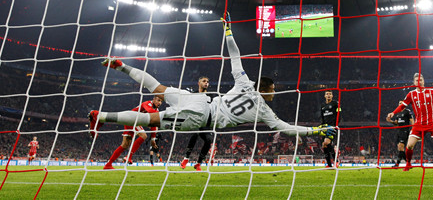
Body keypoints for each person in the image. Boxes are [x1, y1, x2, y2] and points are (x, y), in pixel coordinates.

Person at [88, 12, 335, 140]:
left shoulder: (244, 81)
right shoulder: (265, 111)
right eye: (273, 89)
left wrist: (228, 30)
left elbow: (235, 56)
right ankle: (102, 116)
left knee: (158, 87)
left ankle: (121, 66)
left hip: (199, 99)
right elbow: (287, 129)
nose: (274, 93)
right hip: (200, 117)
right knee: (149, 120)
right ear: (267, 89)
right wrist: (316, 131)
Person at [386, 73, 433, 172]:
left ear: (424, 81)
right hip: (419, 124)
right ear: (414, 82)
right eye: (417, 80)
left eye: (421, 80)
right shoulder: (411, 94)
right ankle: (408, 164)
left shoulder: (432, 91)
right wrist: (393, 112)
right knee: (409, 145)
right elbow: (402, 106)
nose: (419, 82)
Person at [102, 95, 163, 170]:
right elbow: (150, 112)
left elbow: (153, 125)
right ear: (153, 100)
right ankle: (128, 157)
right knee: (143, 136)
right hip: (131, 120)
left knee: (124, 145)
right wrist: (160, 116)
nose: (159, 102)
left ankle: (108, 164)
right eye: (158, 100)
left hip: (131, 122)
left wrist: (153, 139)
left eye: (161, 101)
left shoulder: (156, 111)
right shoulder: (147, 104)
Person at [180, 76, 215, 171]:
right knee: (195, 134)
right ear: (198, 83)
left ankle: (198, 163)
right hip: (195, 120)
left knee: (208, 140)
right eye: (204, 81)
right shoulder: (193, 95)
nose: (206, 83)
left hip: (205, 122)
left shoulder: (211, 96)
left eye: (207, 81)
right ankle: (185, 159)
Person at [389, 101, 413, 167]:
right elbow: (396, 124)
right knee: (400, 149)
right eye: (399, 103)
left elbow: (412, 121)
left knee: (401, 146)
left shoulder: (407, 111)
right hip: (399, 131)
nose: (400, 104)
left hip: (405, 131)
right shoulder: (397, 113)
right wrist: (391, 121)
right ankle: (408, 164)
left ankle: (397, 164)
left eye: (401, 103)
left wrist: (413, 129)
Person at [320, 90, 341, 168]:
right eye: (327, 94)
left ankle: (336, 161)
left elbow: (339, 114)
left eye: (330, 94)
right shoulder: (322, 105)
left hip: (332, 126)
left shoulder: (336, 104)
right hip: (324, 127)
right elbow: (322, 116)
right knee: (324, 145)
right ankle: (329, 164)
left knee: (326, 142)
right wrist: (322, 125)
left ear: (332, 96)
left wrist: (336, 125)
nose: (328, 95)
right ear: (324, 96)